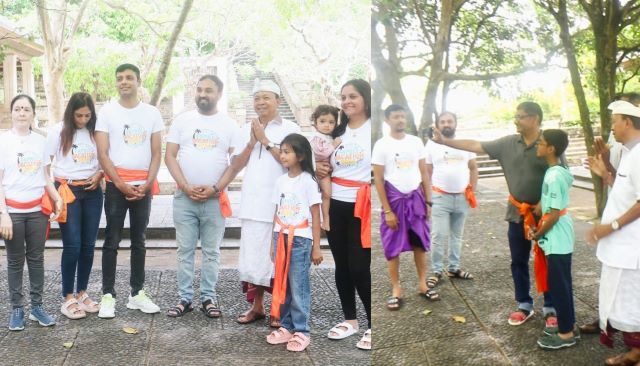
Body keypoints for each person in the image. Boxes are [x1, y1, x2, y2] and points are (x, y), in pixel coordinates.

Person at [431, 101, 557, 332]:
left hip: (546, 215)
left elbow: (561, 173)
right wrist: (444, 141)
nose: (516, 120)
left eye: (521, 116)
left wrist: (544, 202)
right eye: (516, 116)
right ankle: (524, 304)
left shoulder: (549, 143)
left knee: (548, 259)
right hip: (516, 213)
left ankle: (551, 306)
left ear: (535, 118)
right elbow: (475, 145)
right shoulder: (508, 143)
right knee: (518, 261)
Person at [214, 79, 301, 327]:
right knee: (254, 258)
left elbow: (291, 163)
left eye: (266, 97)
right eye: (257, 98)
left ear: (278, 101)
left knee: (277, 258)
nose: (261, 102)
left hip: (282, 205)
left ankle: (278, 310)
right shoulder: (246, 128)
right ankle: (258, 306)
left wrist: (265, 140)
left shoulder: (290, 128)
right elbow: (236, 164)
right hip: (253, 202)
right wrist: (252, 142)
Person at [164, 75, 239, 318]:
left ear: (219, 94)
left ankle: (208, 297)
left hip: (215, 200)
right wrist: (185, 186)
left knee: (212, 251)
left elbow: (235, 163)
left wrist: (216, 188)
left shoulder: (229, 125)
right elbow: (170, 156)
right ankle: (184, 298)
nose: (202, 94)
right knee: (184, 250)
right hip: (184, 198)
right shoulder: (183, 121)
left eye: (208, 90)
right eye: (199, 90)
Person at [95, 63, 163, 318]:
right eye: (120, 78)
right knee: (111, 239)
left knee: (139, 240)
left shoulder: (151, 113)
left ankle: (137, 293)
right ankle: (108, 295)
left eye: (129, 78)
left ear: (138, 81)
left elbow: (157, 152)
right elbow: (103, 153)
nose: (124, 82)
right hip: (115, 186)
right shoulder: (107, 112)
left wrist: (147, 183)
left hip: (143, 186)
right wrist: (120, 183)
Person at [0, 94, 63, 330]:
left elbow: (45, 177)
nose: (22, 113)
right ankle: (17, 309)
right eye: (17, 109)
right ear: (12, 113)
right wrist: (3, 213)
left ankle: (37, 307)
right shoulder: (3, 141)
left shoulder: (41, 142)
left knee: (36, 260)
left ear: (33, 114)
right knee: (15, 261)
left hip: (38, 211)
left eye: (26, 109)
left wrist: (57, 199)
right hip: (12, 212)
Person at [580, 92, 640, 335]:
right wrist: (605, 174)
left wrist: (610, 226)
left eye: (615, 121)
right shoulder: (628, 152)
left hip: (631, 243)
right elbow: (626, 191)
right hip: (622, 243)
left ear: (627, 122)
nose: (611, 127)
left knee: (631, 299)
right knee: (621, 298)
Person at [320, 79, 371, 350]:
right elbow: (324, 163)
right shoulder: (337, 130)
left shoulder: (375, 130)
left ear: (365, 98)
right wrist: (320, 170)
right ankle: (350, 321)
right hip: (336, 203)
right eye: (343, 97)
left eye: (353, 96)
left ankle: (375, 325)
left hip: (363, 205)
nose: (347, 101)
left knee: (360, 266)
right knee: (342, 265)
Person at [372, 104, 437, 312]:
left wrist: (428, 201)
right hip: (394, 200)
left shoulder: (416, 142)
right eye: (396, 117)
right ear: (387, 120)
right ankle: (396, 289)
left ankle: (422, 284)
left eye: (403, 116)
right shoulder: (382, 145)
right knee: (392, 247)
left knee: (420, 243)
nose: (400, 120)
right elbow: (379, 180)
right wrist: (388, 210)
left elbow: (424, 173)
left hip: (416, 198)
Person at [45, 92, 104, 320]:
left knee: (88, 246)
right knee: (73, 245)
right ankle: (67, 296)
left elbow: (104, 159)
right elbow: (45, 166)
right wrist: (55, 196)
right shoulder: (58, 131)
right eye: (79, 115)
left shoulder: (95, 131)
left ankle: (82, 292)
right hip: (67, 191)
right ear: (71, 113)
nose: (83, 120)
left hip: (92, 191)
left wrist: (100, 175)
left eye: (87, 115)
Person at [266, 133, 323, 352]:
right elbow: (276, 211)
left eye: (287, 151)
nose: (282, 155)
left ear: (300, 155)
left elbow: (315, 214)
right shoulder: (280, 181)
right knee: (283, 283)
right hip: (281, 236)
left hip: (300, 239)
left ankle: (302, 330)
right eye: (281, 151)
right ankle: (287, 326)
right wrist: (273, 241)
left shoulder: (308, 181)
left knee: (299, 285)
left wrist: (316, 246)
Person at [530, 129, 577, 350]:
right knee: (561, 284)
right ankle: (567, 326)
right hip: (556, 235)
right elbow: (550, 203)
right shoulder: (554, 172)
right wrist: (540, 206)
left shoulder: (555, 174)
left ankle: (566, 334)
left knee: (559, 285)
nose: (537, 145)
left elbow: (555, 213)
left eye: (541, 143)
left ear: (551, 149)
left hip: (557, 236)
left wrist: (538, 233)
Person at [424, 111, 478, 288]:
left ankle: (454, 268)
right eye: (443, 122)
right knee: (438, 235)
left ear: (455, 123)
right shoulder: (431, 145)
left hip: (462, 197)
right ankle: (437, 271)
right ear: (438, 125)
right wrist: (428, 197)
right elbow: (427, 171)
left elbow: (473, 168)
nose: (446, 124)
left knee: (457, 235)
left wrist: (472, 190)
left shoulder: (465, 144)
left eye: (450, 121)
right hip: (440, 196)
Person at [308, 105, 341, 231]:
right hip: (319, 171)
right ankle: (323, 219)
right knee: (325, 193)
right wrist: (334, 145)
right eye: (322, 121)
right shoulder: (316, 137)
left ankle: (325, 219)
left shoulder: (330, 136)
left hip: (327, 170)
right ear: (315, 123)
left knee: (327, 194)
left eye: (331, 122)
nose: (327, 125)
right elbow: (320, 153)